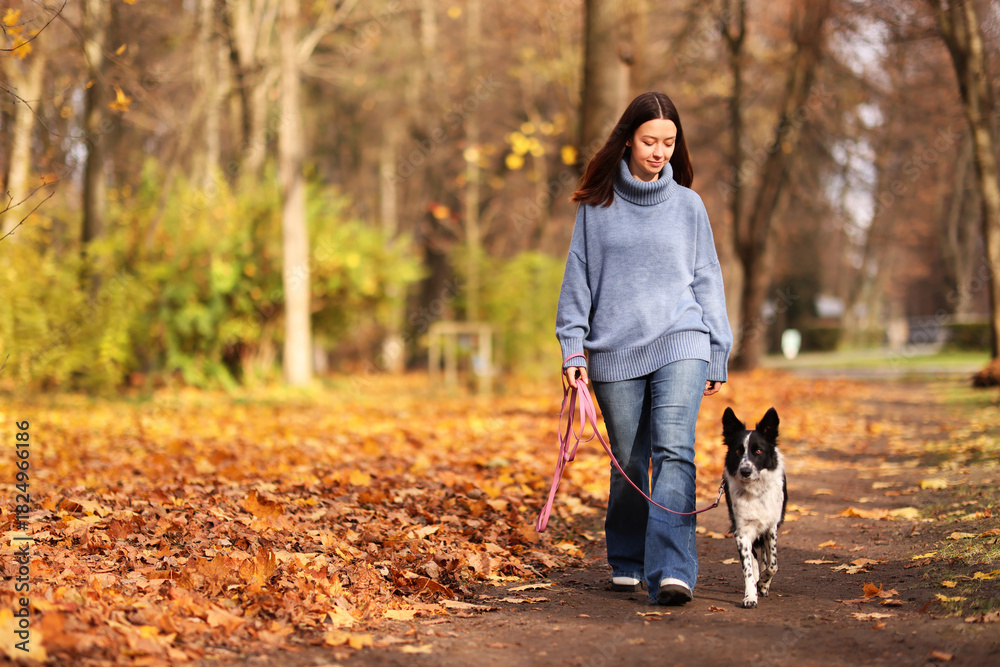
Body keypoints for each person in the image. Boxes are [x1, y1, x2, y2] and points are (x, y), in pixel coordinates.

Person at [555, 91, 733, 606]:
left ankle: (673, 570)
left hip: (682, 338)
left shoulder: (688, 206)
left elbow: (707, 278)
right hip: (613, 349)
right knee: (630, 462)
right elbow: (578, 281)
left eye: (669, 142)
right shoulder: (597, 205)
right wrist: (573, 350)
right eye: (650, 140)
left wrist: (717, 347)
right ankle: (628, 558)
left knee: (674, 450)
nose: (660, 151)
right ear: (628, 139)